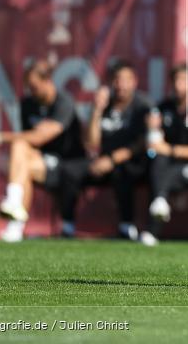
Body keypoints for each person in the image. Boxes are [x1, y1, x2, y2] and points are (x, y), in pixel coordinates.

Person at [0, 59, 84, 243]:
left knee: (20, 149)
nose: (31, 91)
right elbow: (29, 139)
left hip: (66, 164)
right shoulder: (27, 104)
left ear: (48, 81)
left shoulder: (63, 102)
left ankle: (15, 222)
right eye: (28, 87)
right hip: (40, 160)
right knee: (20, 148)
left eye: (34, 86)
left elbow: (40, 137)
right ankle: (14, 205)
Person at [61, 60, 152, 240]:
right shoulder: (105, 104)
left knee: (123, 171)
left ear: (134, 81)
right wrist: (96, 110)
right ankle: (67, 225)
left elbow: (142, 143)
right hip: (102, 160)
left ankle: (127, 225)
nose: (121, 85)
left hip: (129, 162)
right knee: (70, 170)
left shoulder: (143, 105)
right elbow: (92, 143)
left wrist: (112, 160)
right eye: (117, 80)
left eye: (126, 80)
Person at [140, 63, 188, 246]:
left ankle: (153, 228)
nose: (178, 85)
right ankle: (158, 206)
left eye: (183, 80)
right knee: (157, 161)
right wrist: (152, 129)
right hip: (165, 164)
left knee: (165, 171)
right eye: (175, 80)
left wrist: (169, 149)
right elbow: (154, 145)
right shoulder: (163, 108)